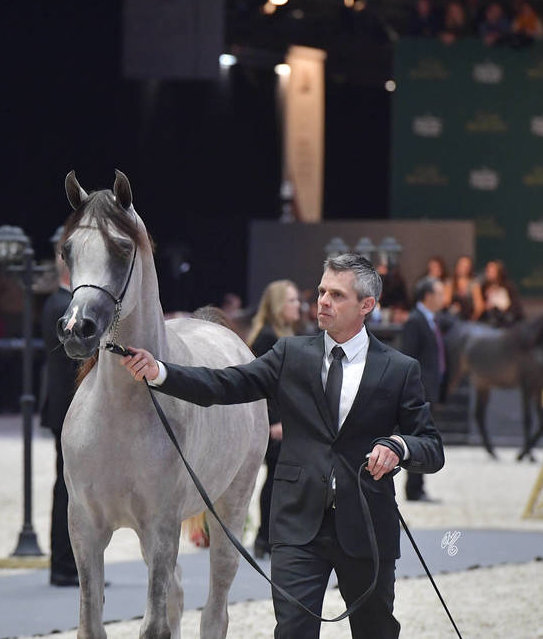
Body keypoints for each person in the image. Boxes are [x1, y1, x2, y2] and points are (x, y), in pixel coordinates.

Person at [121, 253, 444, 639]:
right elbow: (226, 385)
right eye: (322, 290)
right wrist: (161, 372)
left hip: (368, 528)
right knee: (291, 632)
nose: (323, 300)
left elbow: (431, 447)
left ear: (366, 306)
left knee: (376, 631)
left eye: (337, 295)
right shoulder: (291, 355)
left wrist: (399, 446)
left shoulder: (399, 368)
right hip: (297, 527)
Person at [244, 279, 301, 558]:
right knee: (276, 478)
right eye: (291, 300)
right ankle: (264, 537)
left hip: (288, 420)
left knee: (283, 478)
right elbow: (261, 385)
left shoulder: (286, 333)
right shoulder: (267, 337)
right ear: (279, 304)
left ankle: (273, 535)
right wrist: (273, 421)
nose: (298, 305)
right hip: (274, 422)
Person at [40, 248, 81, 587]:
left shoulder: (58, 303)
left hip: (62, 406)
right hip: (67, 407)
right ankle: (65, 566)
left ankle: (68, 565)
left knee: (69, 488)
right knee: (68, 489)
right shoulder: (62, 306)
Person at [398, 277, 447, 503]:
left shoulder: (431, 320)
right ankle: (414, 489)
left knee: (425, 438)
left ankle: (419, 485)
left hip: (430, 388)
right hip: (419, 391)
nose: (443, 297)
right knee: (417, 438)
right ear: (427, 296)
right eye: (439, 293)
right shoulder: (415, 321)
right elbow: (408, 357)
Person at [480, 259, 523, 327]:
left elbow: (515, 307)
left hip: (508, 319)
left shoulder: (508, 287)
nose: (489, 273)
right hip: (490, 320)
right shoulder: (483, 287)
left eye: (492, 271)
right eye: (488, 271)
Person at [445, 255, 484, 321]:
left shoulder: (474, 284)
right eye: (461, 265)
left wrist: (472, 320)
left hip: (468, 318)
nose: (463, 268)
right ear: (456, 266)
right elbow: (446, 302)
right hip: (451, 318)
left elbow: (479, 306)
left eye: (466, 266)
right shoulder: (450, 282)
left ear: (470, 268)